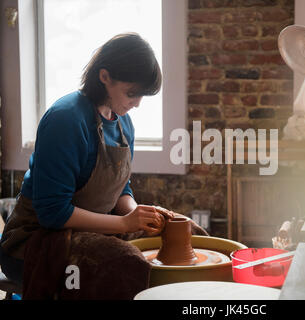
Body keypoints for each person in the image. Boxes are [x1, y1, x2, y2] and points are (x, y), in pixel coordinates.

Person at [0, 33, 207, 299]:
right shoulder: (65, 119)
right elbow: (53, 213)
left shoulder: (123, 123)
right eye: (131, 93)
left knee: (190, 231)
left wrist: (138, 217)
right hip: (35, 241)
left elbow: (121, 187)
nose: (137, 103)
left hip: (92, 231)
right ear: (104, 77)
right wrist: (123, 223)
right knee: (126, 264)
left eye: (141, 95)